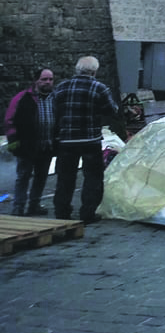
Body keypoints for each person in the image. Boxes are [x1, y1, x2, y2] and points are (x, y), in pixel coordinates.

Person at [51, 56, 121, 224]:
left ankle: (62, 212)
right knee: (93, 177)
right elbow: (112, 111)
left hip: (66, 141)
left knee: (65, 178)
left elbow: (55, 112)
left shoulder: (61, 88)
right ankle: (88, 213)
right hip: (90, 140)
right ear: (94, 71)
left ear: (77, 69)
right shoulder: (99, 88)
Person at [4, 68, 56, 216]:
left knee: (41, 177)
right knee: (23, 177)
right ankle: (18, 207)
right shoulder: (22, 98)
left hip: (47, 145)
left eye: (50, 79)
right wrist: (13, 140)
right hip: (27, 146)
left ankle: (34, 205)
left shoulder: (55, 98)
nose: (48, 82)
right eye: (44, 79)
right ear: (36, 81)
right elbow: (9, 119)